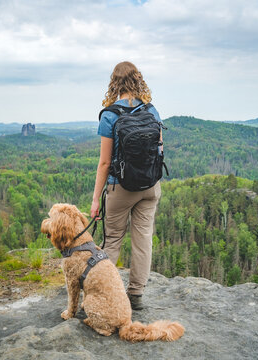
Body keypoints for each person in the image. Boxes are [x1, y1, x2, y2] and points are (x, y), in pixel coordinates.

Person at [90, 61, 163, 310]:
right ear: (137, 80)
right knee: (143, 239)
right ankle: (136, 295)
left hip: (119, 189)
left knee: (112, 242)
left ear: (114, 83)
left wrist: (94, 200)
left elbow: (104, 162)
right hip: (150, 187)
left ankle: (104, 295)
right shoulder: (152, 112)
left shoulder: (110, 115)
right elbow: (159, 150)